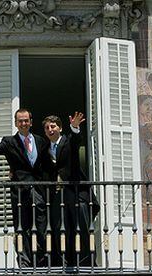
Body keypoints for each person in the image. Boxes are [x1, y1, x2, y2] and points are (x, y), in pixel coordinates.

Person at [0, 108, 52, 268]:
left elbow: (47, 166)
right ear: (16, 123)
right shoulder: (9, 142)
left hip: (38, 191)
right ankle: (25, 263)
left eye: (26, 120)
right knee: (22, 228)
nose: (23, 123)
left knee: (41, 227)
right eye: (20, 121)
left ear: (31, 122)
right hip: (20, 192)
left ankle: (42, 262)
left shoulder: (40, 141)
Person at [42, 112, 99, 267]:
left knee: (81, 231)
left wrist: (74, 128)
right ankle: (63, 263)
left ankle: (87, 264)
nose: (50, 129)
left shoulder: (68, 142)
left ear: (60, 128)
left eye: (53, 126)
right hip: (57, 197)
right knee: (59, 231)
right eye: (47, 128)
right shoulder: (45, 148)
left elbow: (76, 141)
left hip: (76, 195)